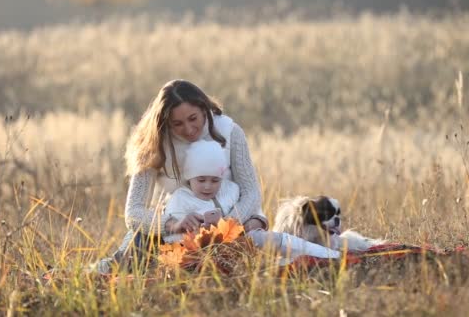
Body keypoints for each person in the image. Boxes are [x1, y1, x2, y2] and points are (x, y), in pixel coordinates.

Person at [96, 79, 272, 273]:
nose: (188, 129)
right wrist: (172, 224)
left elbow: (251, 192)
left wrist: (226, 226)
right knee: (125, 260)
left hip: (233, 223)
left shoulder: (230, 132)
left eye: (193, 118)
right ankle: (99, 270)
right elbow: (134, 212)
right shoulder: (152, 142)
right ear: (165, 122)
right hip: (174, 233)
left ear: (204, 108)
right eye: (177, 124)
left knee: (248, 247)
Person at [161, 139, 341, 261]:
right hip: (201, 253)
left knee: (271, 238)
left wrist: (254, 222)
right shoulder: (180, 199)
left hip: (243, 243)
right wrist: (189, 229)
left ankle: (327, 255)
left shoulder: (231, 191)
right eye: (201, 180)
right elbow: (171, 237)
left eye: (215, 180)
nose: (208, 186)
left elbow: (255, 212)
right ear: (189, 178)